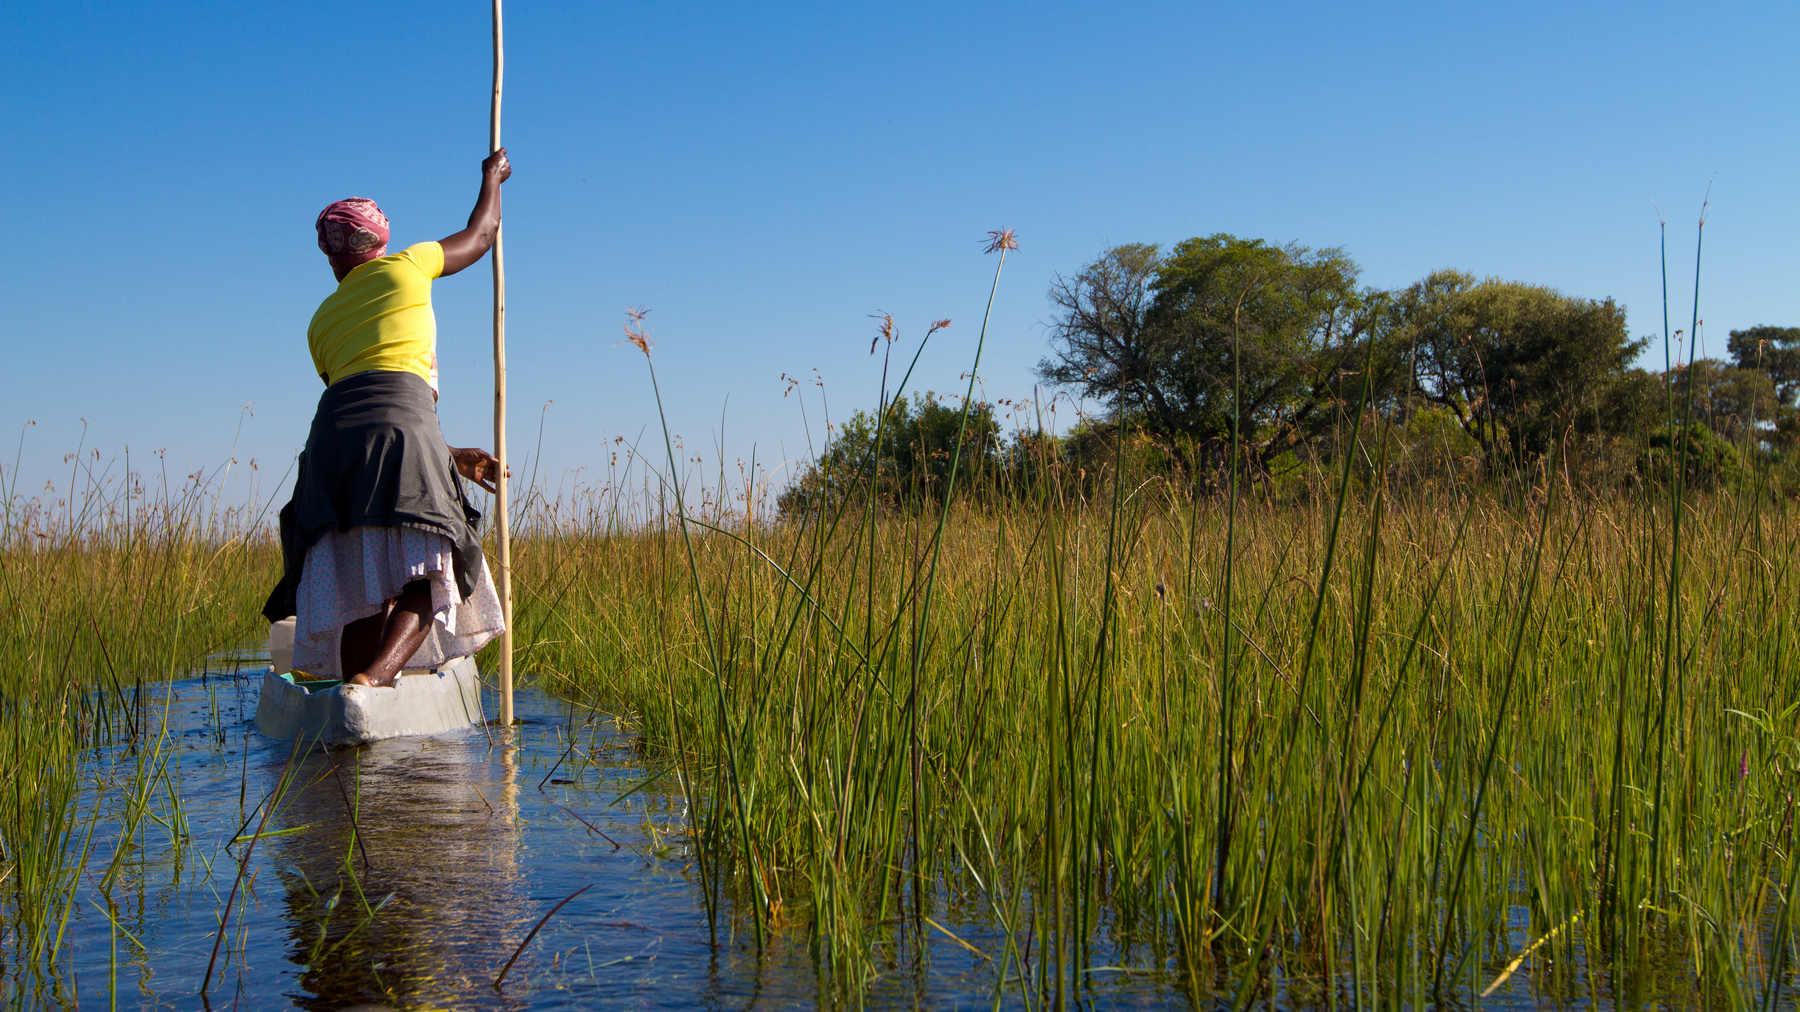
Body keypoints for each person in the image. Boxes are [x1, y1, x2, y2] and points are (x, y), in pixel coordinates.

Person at [263, 149, 513, 688]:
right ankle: (372, 681)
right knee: (430, 566)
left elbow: (360, 414)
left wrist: (452, 459)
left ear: (331, 257)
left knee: (357, 580)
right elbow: (483, 233)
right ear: (381, 242)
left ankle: (351, 689)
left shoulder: (320, 322)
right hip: (402, 424)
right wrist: (491, 178)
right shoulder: (409, 264)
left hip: (329, 443)